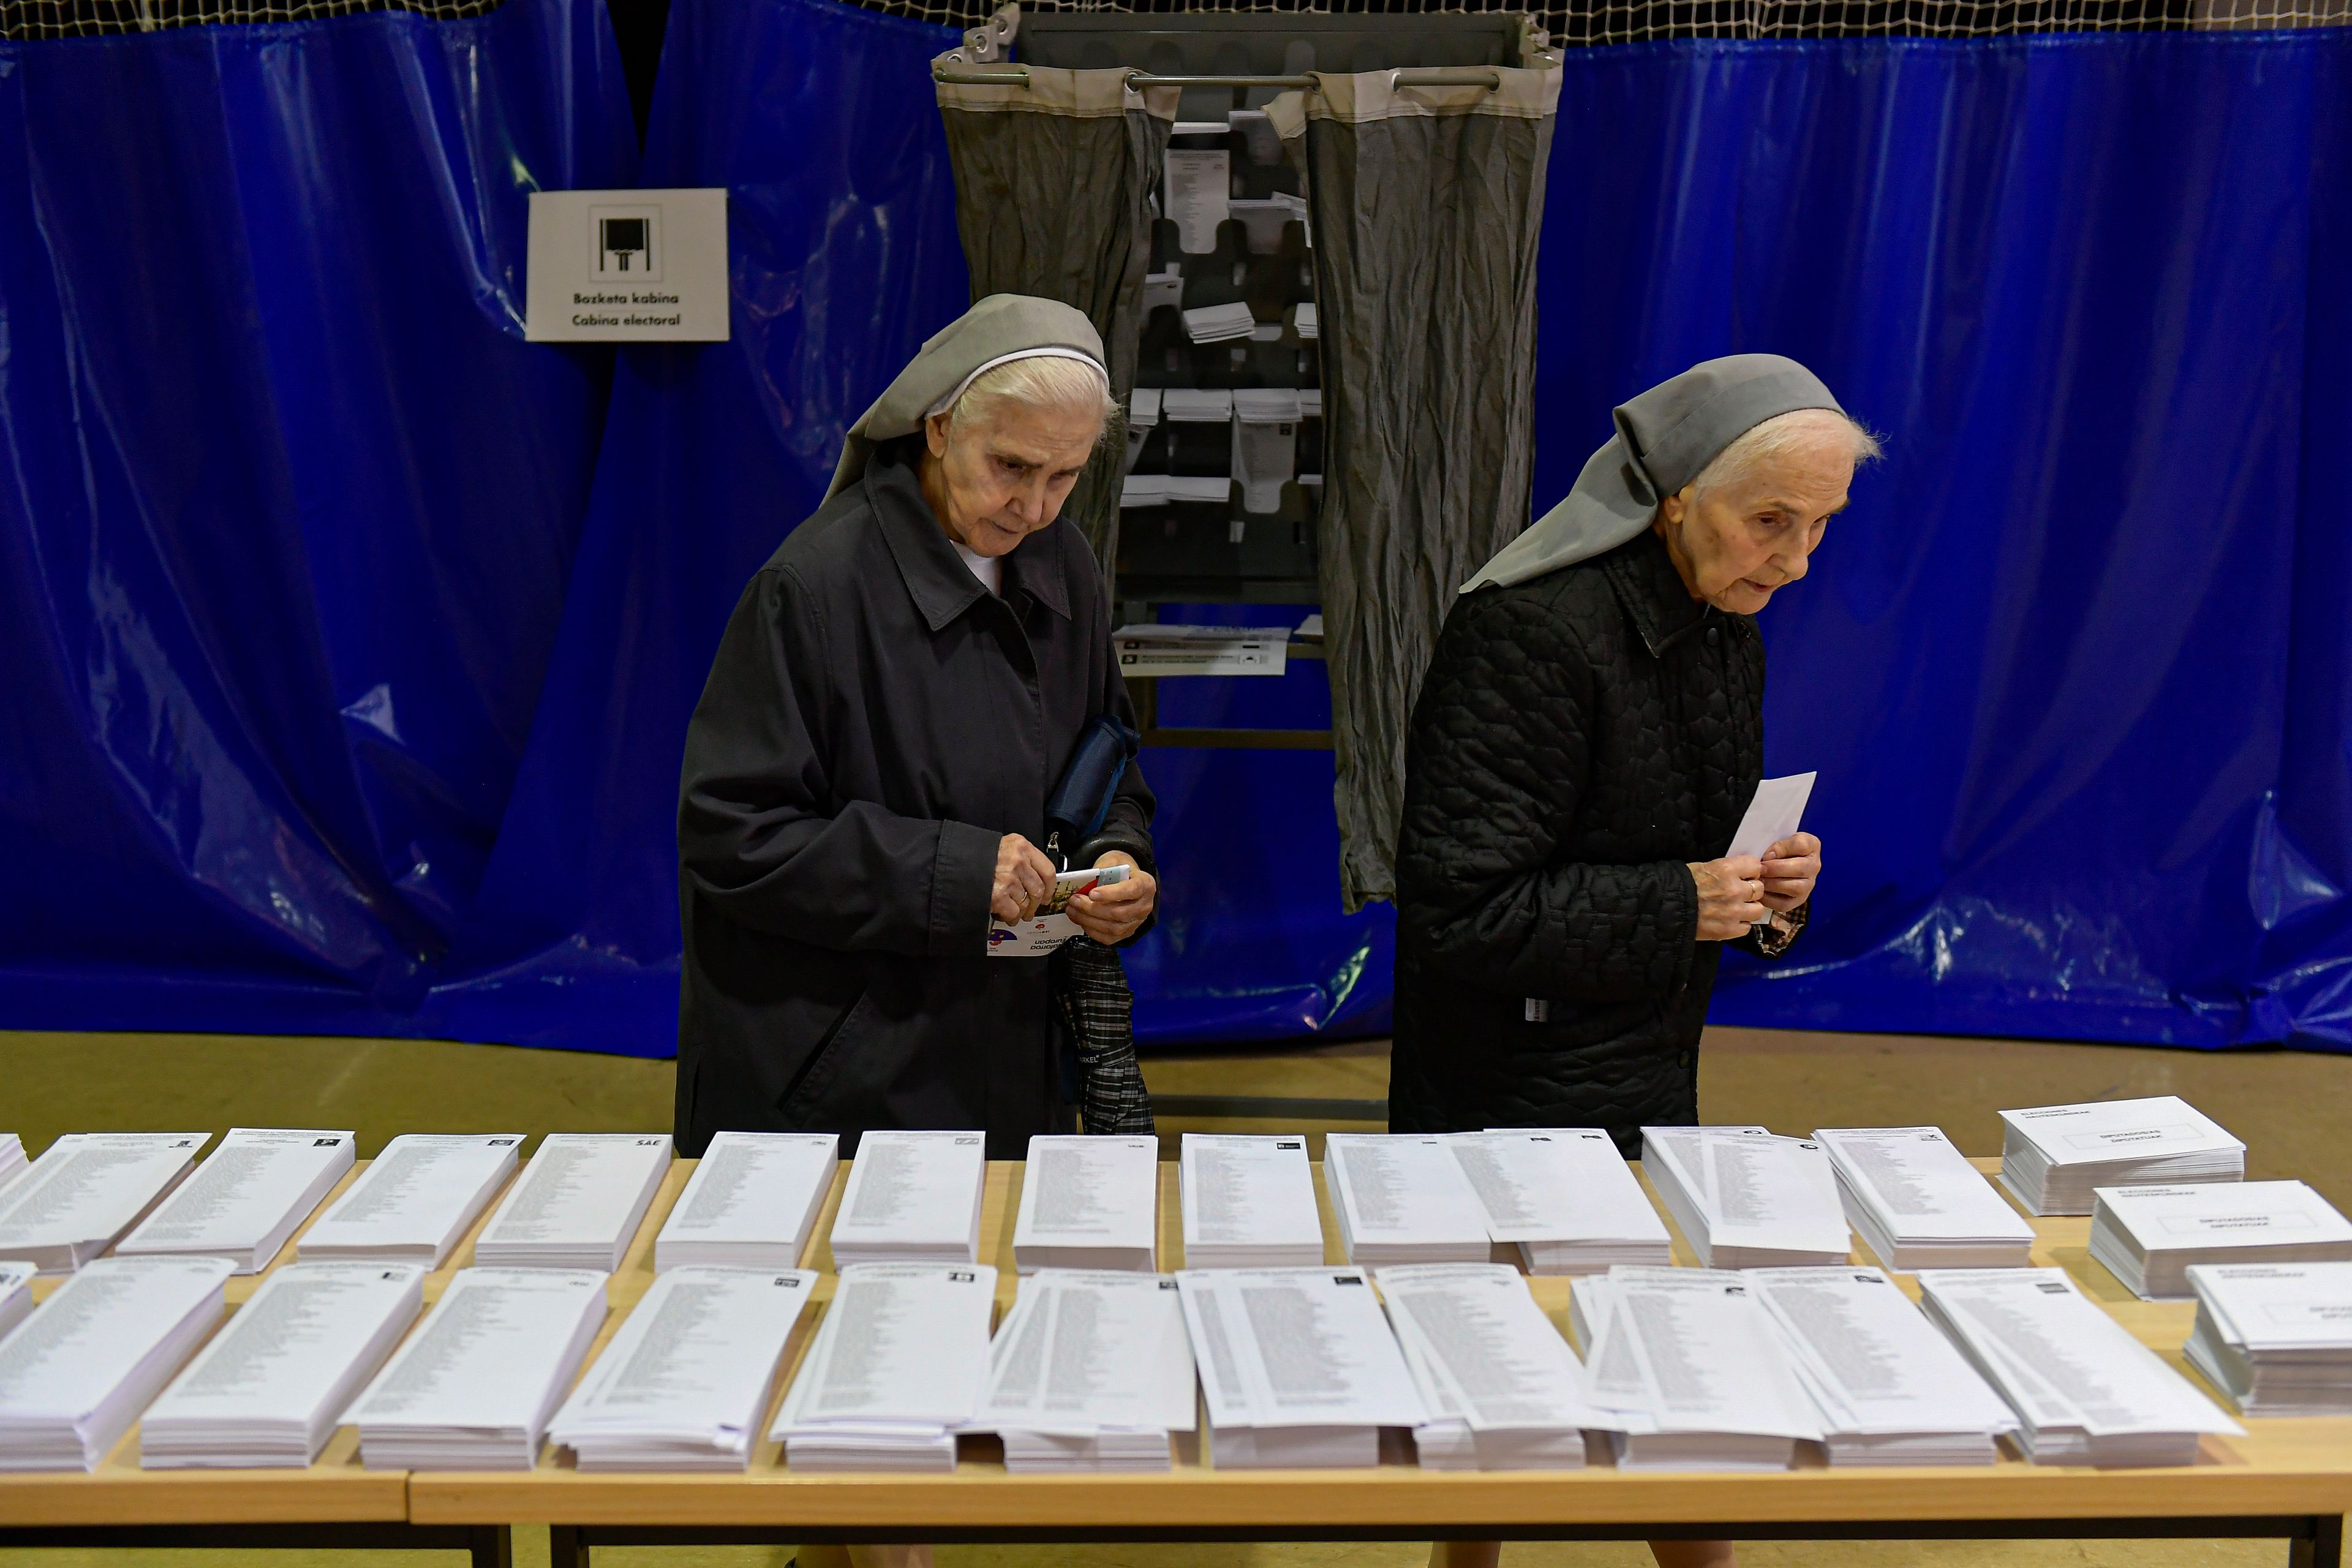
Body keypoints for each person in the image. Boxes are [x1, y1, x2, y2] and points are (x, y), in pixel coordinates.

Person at [1396, 355, 1880, 1568]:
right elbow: (1460, 909)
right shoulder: (1529, 632)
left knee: (1681, 1377)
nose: (1798, 558)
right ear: (1673, 494)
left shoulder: (1726, 622)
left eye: (1822, 526)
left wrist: (1767, 890)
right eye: (1772, 520)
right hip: (1508, 1084)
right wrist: (1685, 902)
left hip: (1649, 1066)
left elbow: (1691, 855)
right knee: (1499, 1395)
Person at [674, 294, 1159, 1167]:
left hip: (1008, 1053)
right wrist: (957, 871)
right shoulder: (813, 589)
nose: (1035, 508)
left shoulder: (1065, 567)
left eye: (1065, 476)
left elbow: (1108, 759)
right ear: (938, 429)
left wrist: (1120, 862)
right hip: (848, 1083)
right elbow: (731, 833)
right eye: (1011, 466)